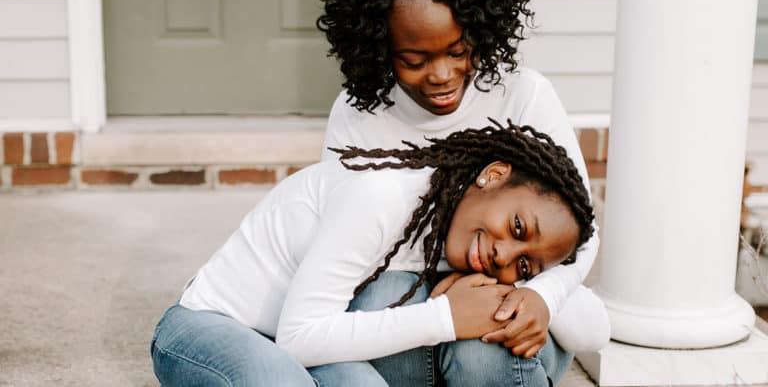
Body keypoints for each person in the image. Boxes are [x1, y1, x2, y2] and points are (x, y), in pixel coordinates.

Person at [317, 0, 609, 384]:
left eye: (458, 51)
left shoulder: (523, 96)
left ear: (479, 30)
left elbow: (577, 230)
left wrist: (538, 294)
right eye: (415, 60)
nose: (441, 75)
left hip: (510, 296)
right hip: (408, 303)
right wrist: (451, 293)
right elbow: (339, 242)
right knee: (379, 300)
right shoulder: (357, 114)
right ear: (380, 46)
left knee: (486, 338)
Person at [150, 121, 596, 386]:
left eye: (524, 265)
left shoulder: (462, 236)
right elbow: (298, 338)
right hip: (212, 326)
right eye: (518, 227)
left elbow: (595, 325)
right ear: (493, 175)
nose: (505, 255)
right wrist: (445, 317)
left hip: (309, 345)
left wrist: (541, 298)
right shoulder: (381, 199)